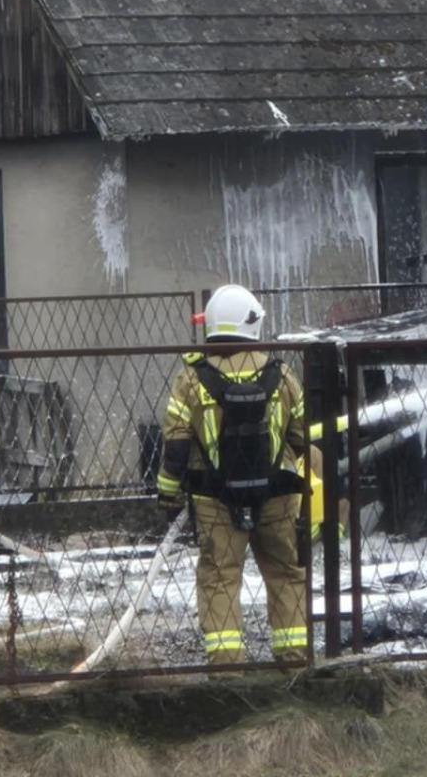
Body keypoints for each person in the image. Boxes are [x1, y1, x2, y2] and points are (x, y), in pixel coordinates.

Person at [156, 284, 310, 666]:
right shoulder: (282, 374)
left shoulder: (191, 379)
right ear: (251, 323)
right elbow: (302, 436)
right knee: (285, 573)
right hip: (277, 495)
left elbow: (176, 446)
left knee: (220, 576)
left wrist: (168, 494)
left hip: (215, 499)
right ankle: (293, 660)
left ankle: (227, 666)